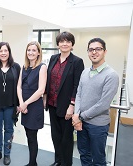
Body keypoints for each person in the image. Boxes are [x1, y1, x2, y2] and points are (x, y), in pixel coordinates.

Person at [72, 38, 119, 166]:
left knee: (98, 159)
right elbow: (79, 94)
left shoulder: (111, 75)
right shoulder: (85, 72)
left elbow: (103, 105)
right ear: (88, 52)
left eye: (98, 49)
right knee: (84, 154)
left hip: (98, 125)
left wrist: (80, 116)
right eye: (91, 49)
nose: (94, 52)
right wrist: (76, 115)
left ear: (105, 51)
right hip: (81, 122)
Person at [44, 31, 84, 166]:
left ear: (72, 44)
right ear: (58, 44)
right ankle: (58, 161)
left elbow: (77, 85)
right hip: (52, 103)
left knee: (66, 139)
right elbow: (49, 80)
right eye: (62, 41)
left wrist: (72, 105)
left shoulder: (77, 62)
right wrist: (45, 97)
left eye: (68, 41)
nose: (64, 44)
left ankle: (66, 163)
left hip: (66, 106)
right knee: (55, 136)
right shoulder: (53, 58)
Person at [17, 41, 47, 166]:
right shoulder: (23, 67)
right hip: (24, 106)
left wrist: (25, 104)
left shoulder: (42, 67)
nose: (31, 52)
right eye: (29, 50)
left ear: (38, 53)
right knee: (28, 135)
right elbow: (19, 87)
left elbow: (41, 90)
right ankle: (32, 162)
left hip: (34, 106)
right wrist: (21, 103)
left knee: (32, 136)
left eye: (34, 50)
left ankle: (32, 163)